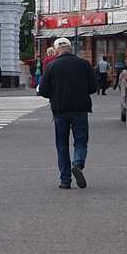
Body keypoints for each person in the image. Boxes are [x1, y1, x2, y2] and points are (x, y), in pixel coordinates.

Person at [40, 37, 97, 190]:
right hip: (80, 108)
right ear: (71, 49)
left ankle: (65, 180)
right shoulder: (84, 64)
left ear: (56, 50)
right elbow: (93, 87)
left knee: (62, 146)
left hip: (60, 110)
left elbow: (44, 91)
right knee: (80, 141)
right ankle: (77, 164)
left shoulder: (51, 66)